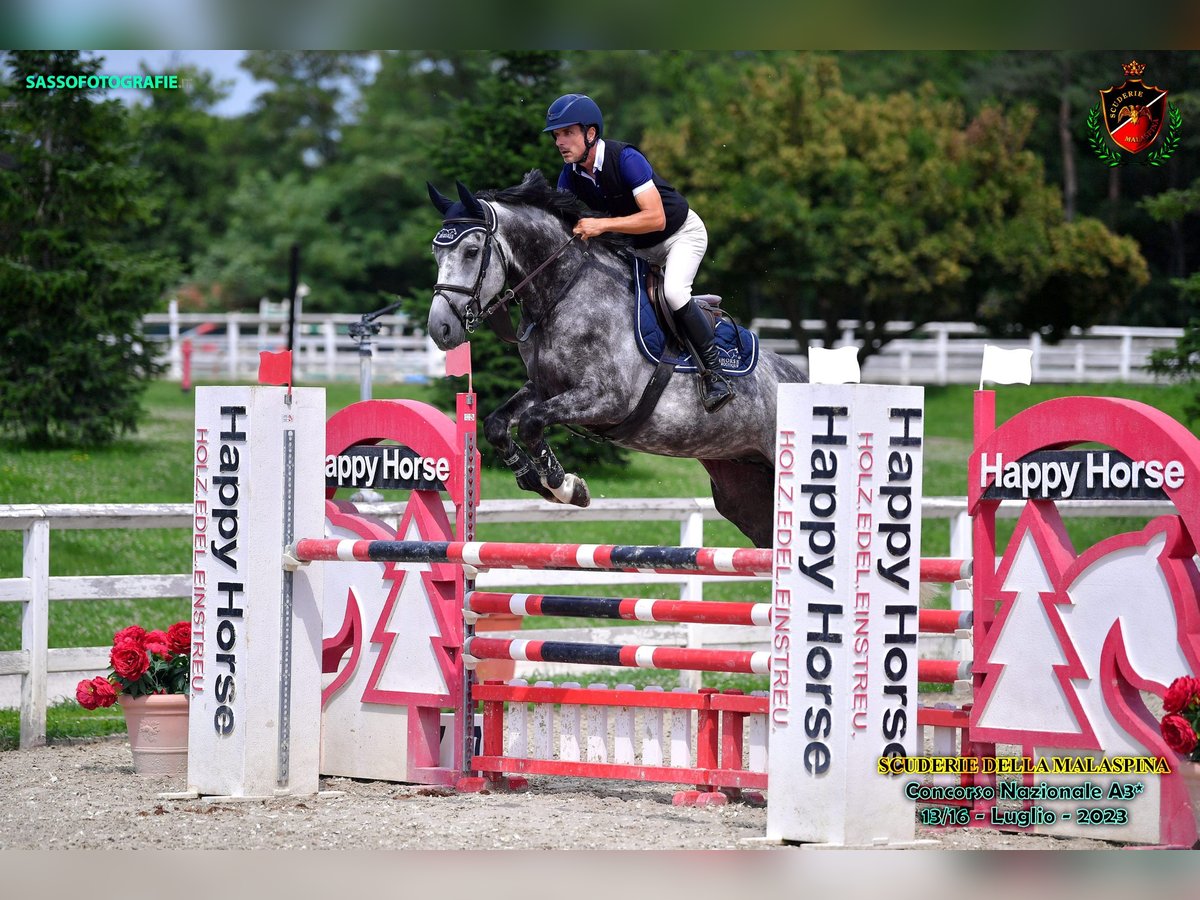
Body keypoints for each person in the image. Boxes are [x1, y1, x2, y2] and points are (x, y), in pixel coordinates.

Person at [542, 93, 733, 413]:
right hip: (640, 248)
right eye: (557, 135)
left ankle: (715, 374)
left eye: (568, 133)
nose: (560, 142)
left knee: (673, 293)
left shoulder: (626, 159)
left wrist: (601, 227)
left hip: (679, 235)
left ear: (591, 134)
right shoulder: (570, 175)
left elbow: (655, 218)